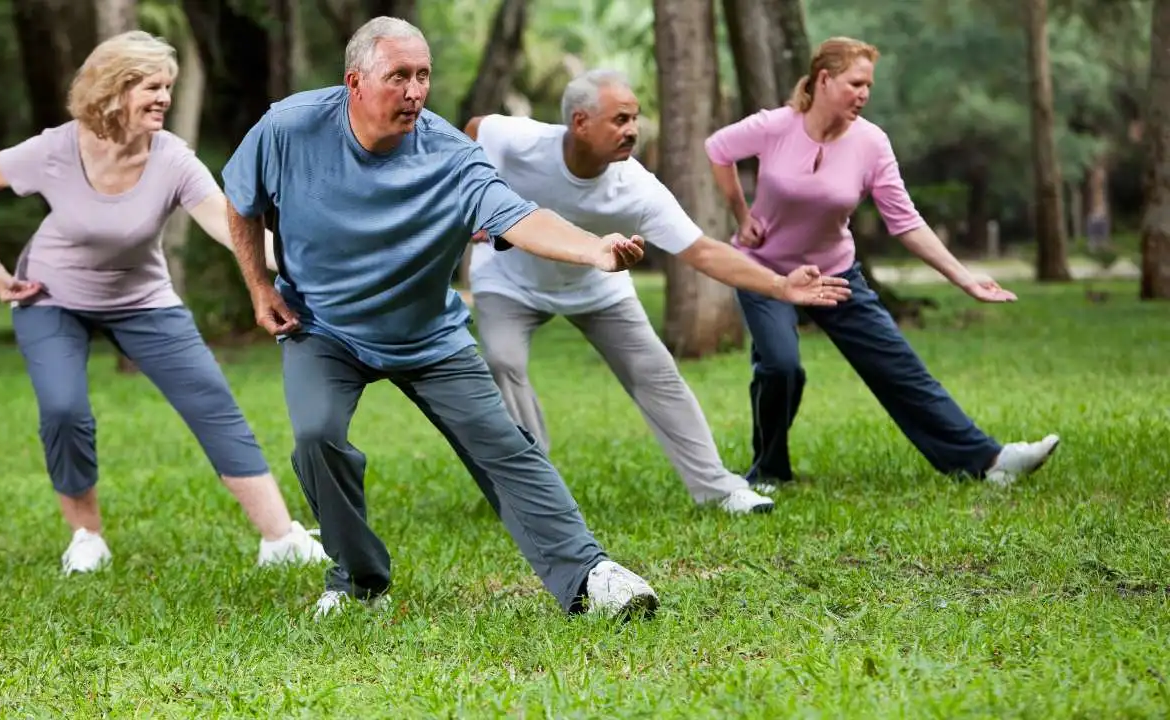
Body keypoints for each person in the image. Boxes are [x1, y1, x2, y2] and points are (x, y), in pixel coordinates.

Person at [220, 16, 661, 621]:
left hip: (426, 335)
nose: (415, 90)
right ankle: (358, 580)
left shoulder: (451, 156)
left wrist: (594, 249)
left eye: (423, 75)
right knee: (315, 436)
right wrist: (258, 285)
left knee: (506, 447)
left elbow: (518, 215)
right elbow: (240, 201)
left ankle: (590, 575)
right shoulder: (290, 127)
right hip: (322, 325)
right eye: (398, 75)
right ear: (354, 81)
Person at [0, 31, 329, 575]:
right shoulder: (56, 148)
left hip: (141, 298)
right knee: (64, 410)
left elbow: (232, 230)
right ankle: (86, 536)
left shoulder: (173, 160)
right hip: (51, 295)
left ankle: (280, 537)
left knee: (212, 403)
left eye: (168, 88)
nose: (163, 98)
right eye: (151, 87)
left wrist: (314, 261)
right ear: (113, 89)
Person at [461, 69, 853, 516]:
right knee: (503, 361)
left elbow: (704, 252)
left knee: (658, 375)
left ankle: (719, 488)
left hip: (597, 286)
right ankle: (533, 491)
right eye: (620, 119)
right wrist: (475, 199)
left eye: (636, 118)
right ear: (580, 122)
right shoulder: (522, 140)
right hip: (509, 280)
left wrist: (780, 284)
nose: (633, 130)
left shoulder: (637, 187)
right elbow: (476, 128)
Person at [703, 36, 1060, 490]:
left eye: (869, 85)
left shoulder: (871, 143)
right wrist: (741, 213)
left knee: (899, 368)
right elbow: (717, 149)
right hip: (766, 271)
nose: (864, 94)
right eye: (856, 83)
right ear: (824, 79)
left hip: (835, 273)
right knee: (780, 366)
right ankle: (769, 470)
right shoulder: (775, 126)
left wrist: (965, 278)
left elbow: (905, 222)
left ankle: (990, 461)